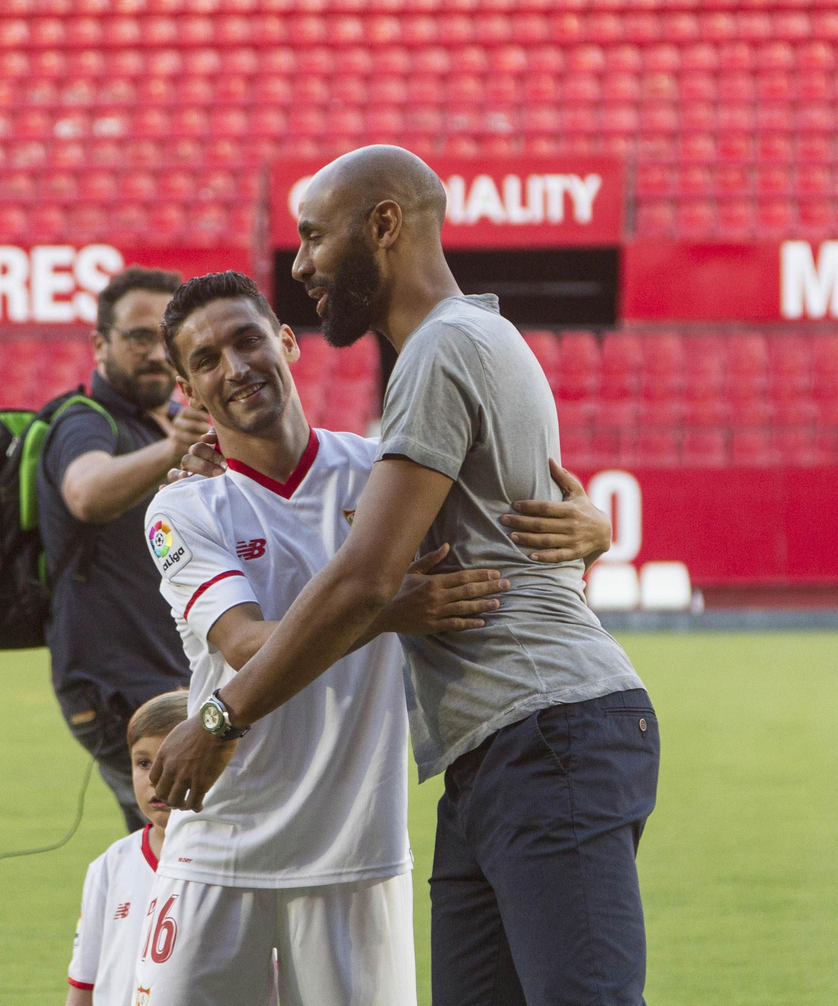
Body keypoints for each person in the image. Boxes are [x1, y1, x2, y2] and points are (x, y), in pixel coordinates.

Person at [150, 146, 659, 1006]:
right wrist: (590, 529)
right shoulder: (458, 351)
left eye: (314, 238)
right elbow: (523, 513)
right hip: (490, 749)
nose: (303, 263)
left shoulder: (436, 353)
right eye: (207, 362)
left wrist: (216, 720)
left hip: (543, 731)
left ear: (383, 225)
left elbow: (363, 582)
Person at [38, 266, 212, 831]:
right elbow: (86, 493)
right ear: (99, 344)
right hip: (117, 688)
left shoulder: (156, 425)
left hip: (161, 676)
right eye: (138, 337)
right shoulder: (85, 421)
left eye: (167, 337)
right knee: (192, 842)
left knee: (184, 850)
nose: (156, 353)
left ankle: (140, 921)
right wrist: (171, 448)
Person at [65, 690, 191, 1006]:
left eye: (172, 761)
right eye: (144, 762)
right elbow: (83, 984)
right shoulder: (110, 866)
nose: (155, 778)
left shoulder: (240, 863)